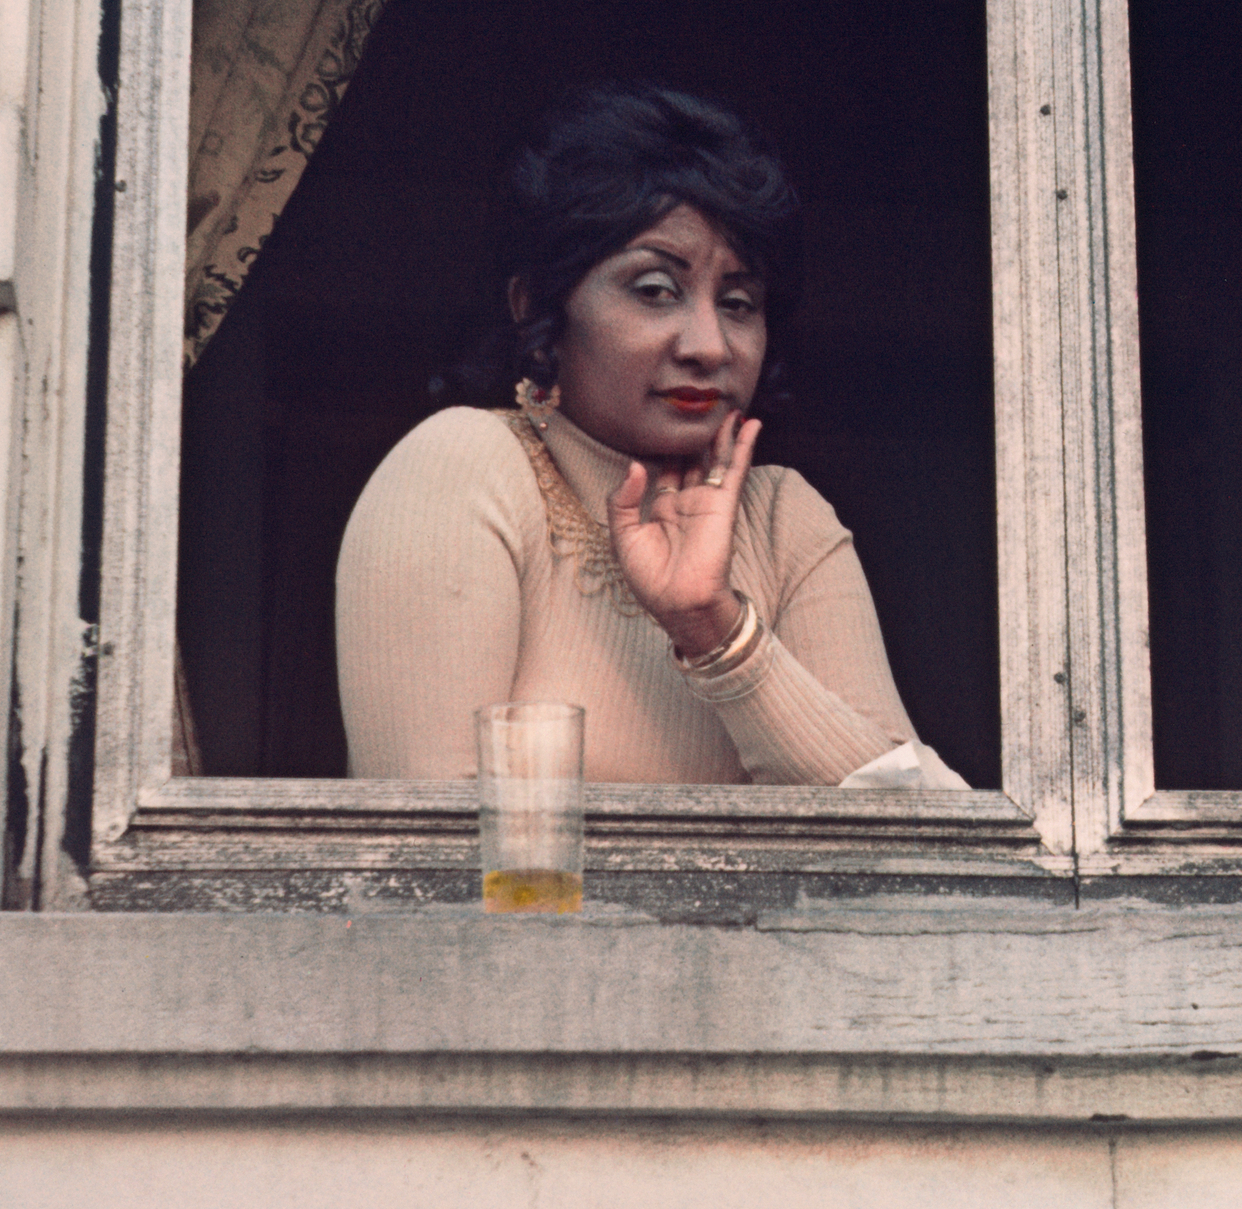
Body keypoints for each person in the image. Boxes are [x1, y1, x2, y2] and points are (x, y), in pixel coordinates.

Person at [336, 81, 961, 787]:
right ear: (538, 308)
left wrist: (717, 634)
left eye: (738, 302)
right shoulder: (463, 469)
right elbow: (429, 843)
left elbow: (926, 829)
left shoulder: (784, 520)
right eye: (656, 290)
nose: (709, 346)